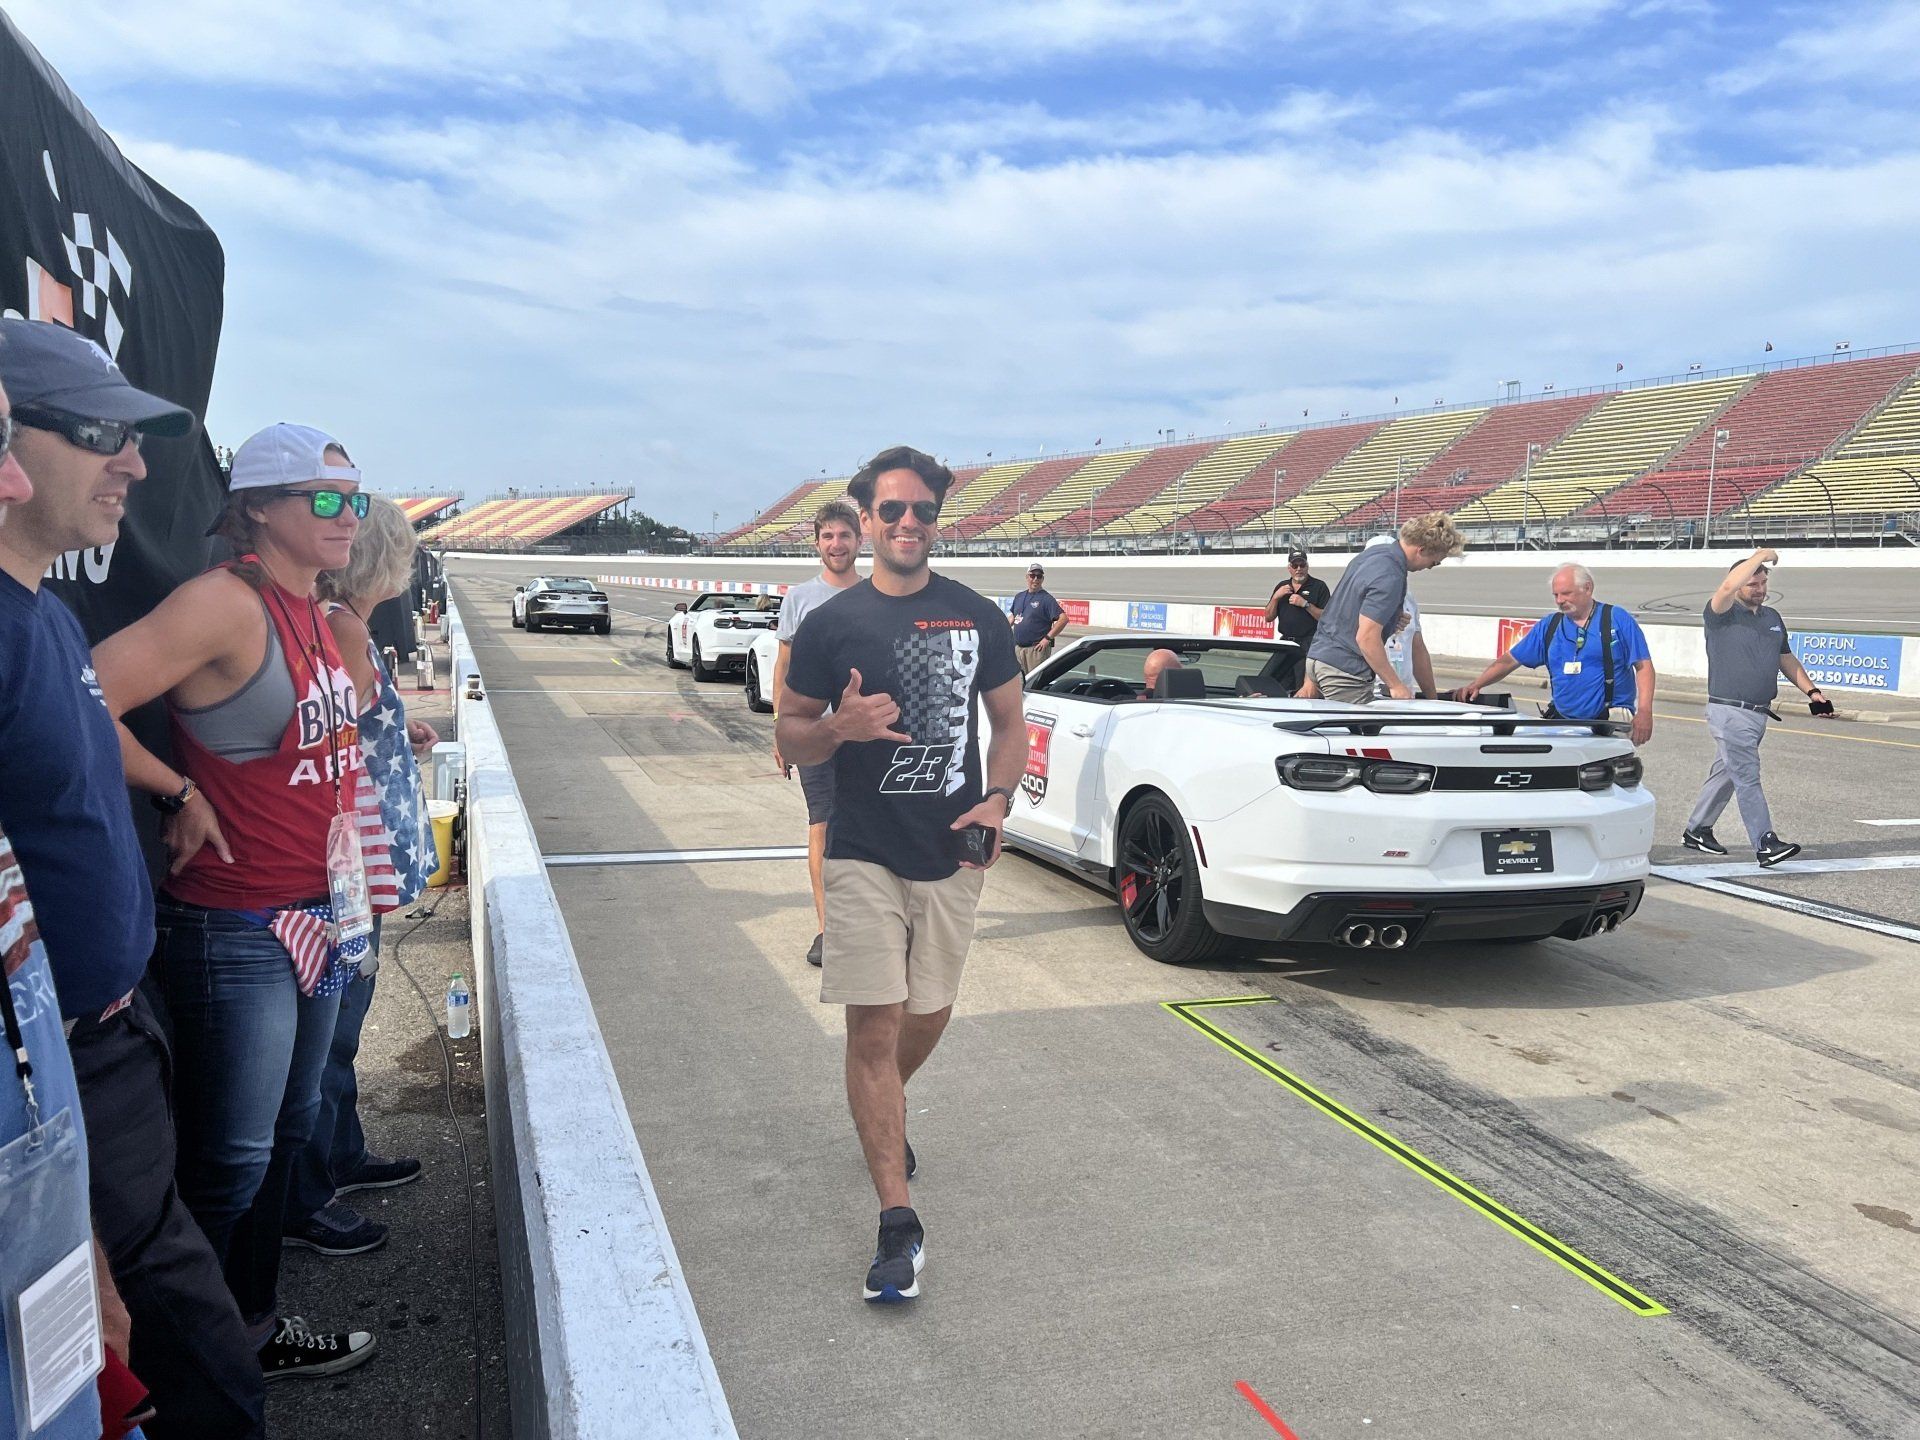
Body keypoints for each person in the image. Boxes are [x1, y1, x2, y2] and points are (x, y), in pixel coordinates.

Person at [0, 318, 266, 1435]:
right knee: (195, 1364)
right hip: (51, 1067)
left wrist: (172, 788)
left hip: (116, 1027)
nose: (138, 464)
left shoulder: (49, 617)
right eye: (104, 432)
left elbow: (87, 738)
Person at [93, 421, 378, 1380]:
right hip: (237, 923)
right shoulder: (222, 603)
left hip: (318, 910)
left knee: (286, 1137)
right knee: (229, 1161)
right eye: (324, 499)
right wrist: (176, 789)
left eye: (356, 498)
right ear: (258, 507)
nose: (348, 516)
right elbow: (78, 695)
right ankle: (186, 1361)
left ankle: (251, 1332)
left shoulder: (309, 604)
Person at [776, 445, 1023, 1305]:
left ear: (936, 518)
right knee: (872, 1030)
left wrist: (999, 799)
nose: (907, 524)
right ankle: (897, 1220)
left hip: (953, 850)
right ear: (866, 520)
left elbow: (1010, 722)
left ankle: (877, 1107)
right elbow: (789, 738)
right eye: (892, 512)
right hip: (861, 849)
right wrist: (838, 728)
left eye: (922, 510)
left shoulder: (979, 615)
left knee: (928, 1013)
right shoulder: (829, 625)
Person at [282, 496, 438, 1258]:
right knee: (334, 1032)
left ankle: (342, 1155)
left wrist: (396, 722)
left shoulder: (347, 626)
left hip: (358, 863)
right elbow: (325, 741)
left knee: (344, 1027)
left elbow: (354, 720)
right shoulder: (344, 626)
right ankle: (310, 1196)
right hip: (349, 866)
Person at [1681, 549, 1833, 866]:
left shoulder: (1772, 619)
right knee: (1748, 776)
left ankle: (1696, 830)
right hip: (1730, 712)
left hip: (1758, 712)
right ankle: (1765, 842)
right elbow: (1725, 589)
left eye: (1763, 583)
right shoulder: (1720, 613)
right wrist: (1759, 555)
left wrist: (1812, 691)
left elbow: (1785, 658)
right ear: (1737, 584)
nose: (1760, 589)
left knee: (1726, 774)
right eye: (1753, 583)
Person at [770, 498, 862, 968]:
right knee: (822, 824)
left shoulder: (877, 595)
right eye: (828, 536)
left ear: (859, 540)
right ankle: (827, 930)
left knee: (872, 827)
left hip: (869, 735)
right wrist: (780, 729)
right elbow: (784, 666)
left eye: (844, 535)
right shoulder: (800, 598)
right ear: (817, 543)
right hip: (814, 731)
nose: (836, 544)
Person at [1461, 564, 1656, 744]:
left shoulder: (1617, 618)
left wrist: (1645, 711)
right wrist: (1477, 684)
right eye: (1556, 595)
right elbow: (1509, 660)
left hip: (1610, 722)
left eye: (1566, 593)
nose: (1559, 601)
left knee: (1605, 779)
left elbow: (1643, 666)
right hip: (1562, 723)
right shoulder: (1549, 626)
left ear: (1587, 588)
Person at [1302, 514, 1465, 704]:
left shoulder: (1374, 555)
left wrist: (1390, 619)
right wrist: (1396, 685)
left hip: (1321, 658)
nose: (1430, 568)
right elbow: (1366, 638)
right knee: (1362, 730)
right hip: (1345, 668)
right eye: (1434, 562)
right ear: (1421, 550)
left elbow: (1346, 611)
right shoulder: (1391, 574)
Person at [1263, 548, 1327, 694]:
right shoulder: (1282, 586)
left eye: (1302, 565)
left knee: (1302, 686)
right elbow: (1268, 617)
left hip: (1308, 644)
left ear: (1307, 566)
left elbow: (1326, 618)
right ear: (1289, 568)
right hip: (1285, 643)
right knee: (1272, 680)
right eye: (1295, 565)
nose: (1299, 569)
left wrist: (1305, 604)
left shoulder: (1319, 586)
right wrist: (1275, 597)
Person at [1008, 562, 1067, 675]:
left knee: (1034, 682)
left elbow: (1063, 619)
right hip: (1018, 649)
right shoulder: (1019, 596)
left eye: (1039, 576)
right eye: (1032, 575)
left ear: (1042, 579)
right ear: (1027, 577)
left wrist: (1047, 639)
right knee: (1018, 682)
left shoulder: (1046, 599)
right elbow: (1013, 617)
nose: (1035, 579)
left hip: (1035, 650)